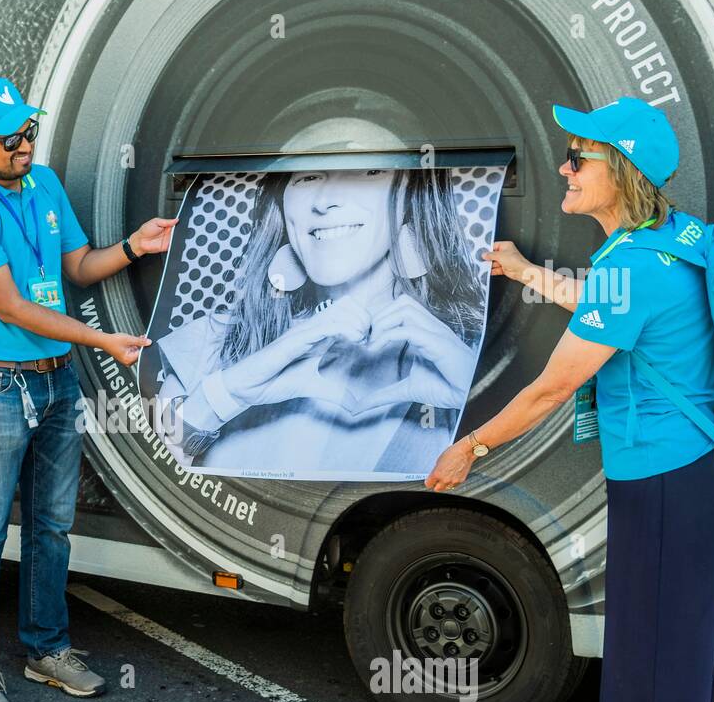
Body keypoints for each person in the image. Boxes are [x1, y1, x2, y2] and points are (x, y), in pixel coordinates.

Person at [426, 97, 714, 702]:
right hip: (663, 476)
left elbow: (552, 386)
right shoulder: (660, 243)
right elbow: (604, 313)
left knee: (672, 656)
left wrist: (470, 445)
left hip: (675, 482)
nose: (564, 168)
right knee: (639, 641)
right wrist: (527, 270)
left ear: (621, 171)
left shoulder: (634, 265)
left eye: (580, 158)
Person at [0, 76, 177, 702]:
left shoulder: (43, 185)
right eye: (10, 137)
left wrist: (133, 247)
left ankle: (46, 649)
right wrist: (100, 339)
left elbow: (76, 267)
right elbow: (10, 305)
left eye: (29, 131)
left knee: (52, 525)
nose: (24, 145)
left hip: (56, 377)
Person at [154, 167, 482, 476]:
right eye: (309, 176)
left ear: (413, 195)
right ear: (281, 203)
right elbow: (143, 476)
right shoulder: (214, 339)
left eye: (371, 171)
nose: (325, 202)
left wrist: (480, 406)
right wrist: (224, 396)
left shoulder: (470, 355)